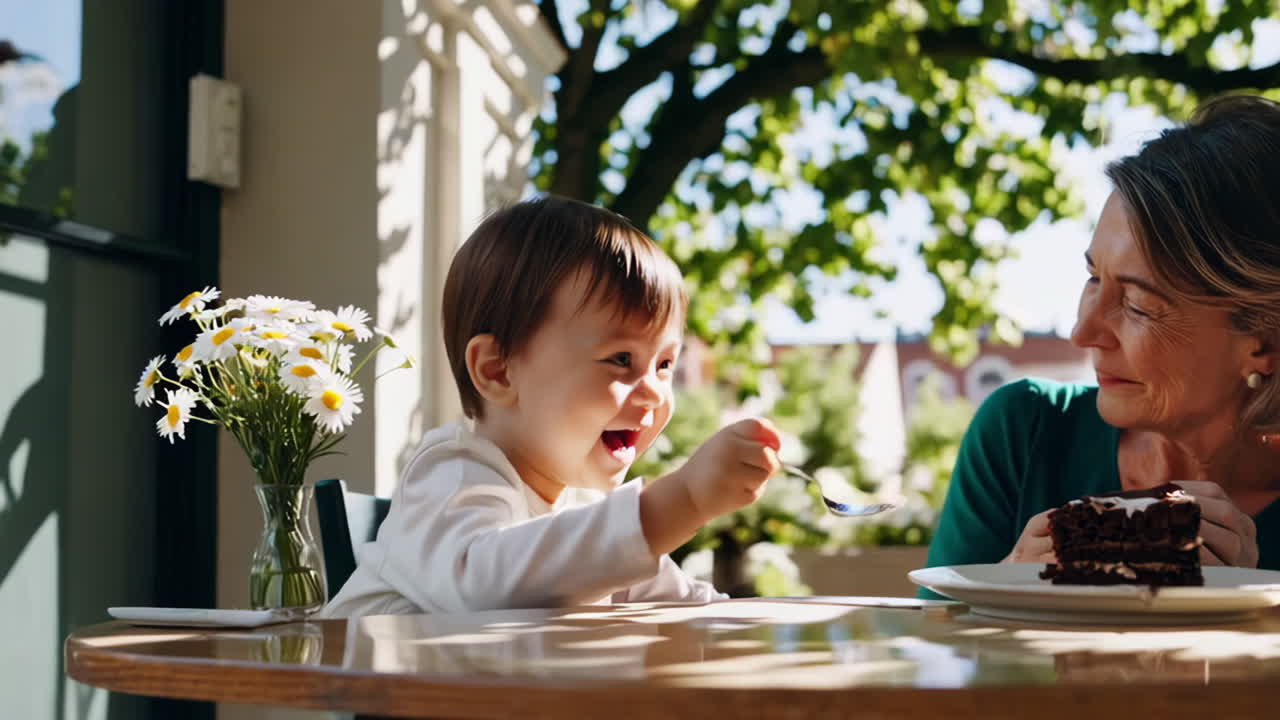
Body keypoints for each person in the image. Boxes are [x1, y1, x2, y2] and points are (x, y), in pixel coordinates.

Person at [322, 196, 780, 617]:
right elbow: (487, 586)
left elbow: (691, 606)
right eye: (622, 360)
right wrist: (683, 500)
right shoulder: (451, 474)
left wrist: (754, 622)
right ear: (499, 371)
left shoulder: (581, 508)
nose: (655, 392)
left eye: (664, 365)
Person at [924, 94, 1280, 584]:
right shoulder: (1024, 433)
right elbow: (940, 645)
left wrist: (1244, 602)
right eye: (1094, 279)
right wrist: (1011, 578)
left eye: (1138, 305)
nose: (1083, 332)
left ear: (1263, 342)